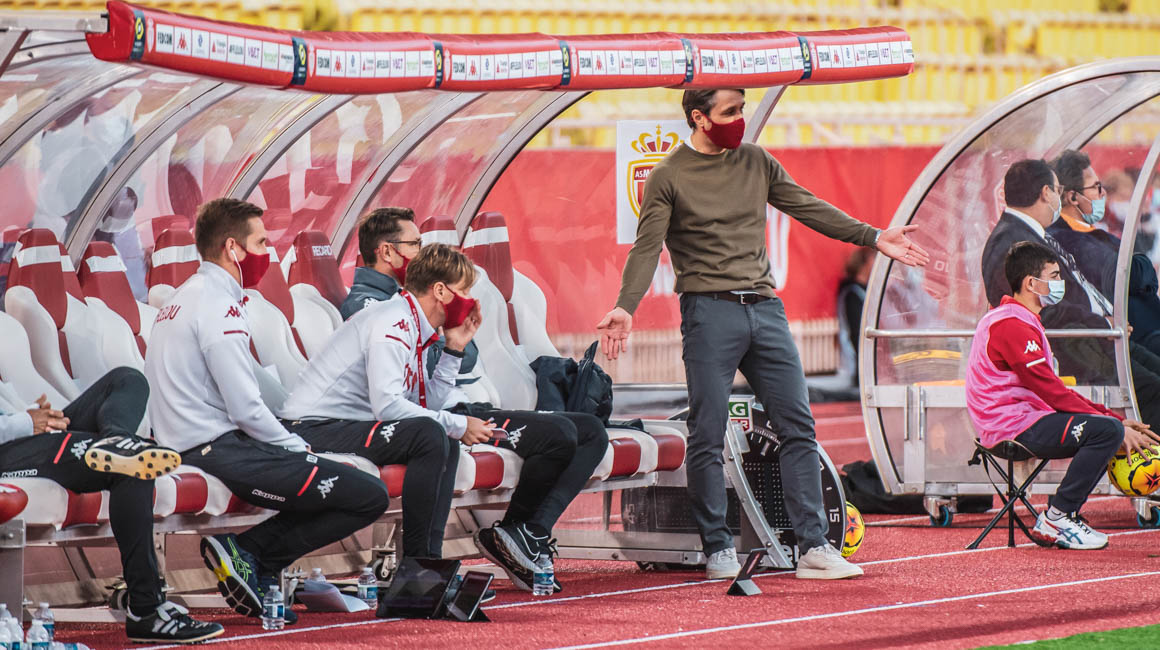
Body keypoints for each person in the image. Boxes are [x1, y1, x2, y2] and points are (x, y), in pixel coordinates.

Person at [597, 88, 928, 580]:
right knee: (707, 435)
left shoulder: (756, 161)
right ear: (699, 117)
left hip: (766, 310)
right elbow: (646, 249)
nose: (740, 118)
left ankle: (813, 548)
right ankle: (718, 549)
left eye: (742, 109)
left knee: (798, 426)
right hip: (708, 313)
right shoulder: (669, 175)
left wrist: (874, 236)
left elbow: (808, 206)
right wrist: (626, 306)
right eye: (729, 112)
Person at [144, 198, 390, 623]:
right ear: (232, 247)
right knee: (368, 496)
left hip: (197, 443)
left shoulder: (188, 296)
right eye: (260, 242)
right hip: (215, 447)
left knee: (332, 481)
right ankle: (248, 552)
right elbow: (245, 408)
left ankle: (255, 563)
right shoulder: (218, 306)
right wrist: (293, 445)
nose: (266, 251)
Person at [311, 243, 605, 592]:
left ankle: (526, 534)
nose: (468, 299)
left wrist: (454, 346)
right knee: (556, 433)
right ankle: (432, 571)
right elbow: (395, 405)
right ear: (387, 251)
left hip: (451, 410)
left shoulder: (420, 319)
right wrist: (458, 423)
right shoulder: (388, 316)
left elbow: (429, 391)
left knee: (590, 430)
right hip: (418, 419)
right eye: (412, 243)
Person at [0, 368, 222, 643]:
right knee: (135, 462)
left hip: (21, 435)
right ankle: (147, 608)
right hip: (9, 449)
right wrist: (23, 422)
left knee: (128, 379)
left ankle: (116, 440)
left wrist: (29, 414)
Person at [966, 241, 1160, 549]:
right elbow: (1052, 393)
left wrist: (1113, 418)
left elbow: (1054, 391)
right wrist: (1115, 424)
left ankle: (1062, 513)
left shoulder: (1018, 319)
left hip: (1022, 420)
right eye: (1055, 276)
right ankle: (1058, 516)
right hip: (1012, 427)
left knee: (1108, 428)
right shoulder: (1011, 325)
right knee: (1107, 432)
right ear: (1031, 283)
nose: (1061, 283)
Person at [980, 159, 1160, 430]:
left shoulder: (1030, 233)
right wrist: (1098, 322)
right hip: (1075, 344)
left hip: (1096, 336)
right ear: (1045, 192)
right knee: (1153, 391)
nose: (1059, 197)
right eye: (1057, 190)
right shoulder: (1013, 241)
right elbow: (1042, 309)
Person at [339, 206, 481, 386]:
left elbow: (467, 355)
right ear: (387, 252)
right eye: (414, 244)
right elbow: (427, 363)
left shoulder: (406, 297)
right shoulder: (366, 306)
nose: (420, 254)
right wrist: (443, 335)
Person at [1048, 150, 1160, 353]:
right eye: (1096, 187)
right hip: (1132, 341)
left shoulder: (1088, 232)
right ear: (1073, 197)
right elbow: (1131, 274)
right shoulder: (1069, 238)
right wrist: (1143, 265)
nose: (1103, 194)